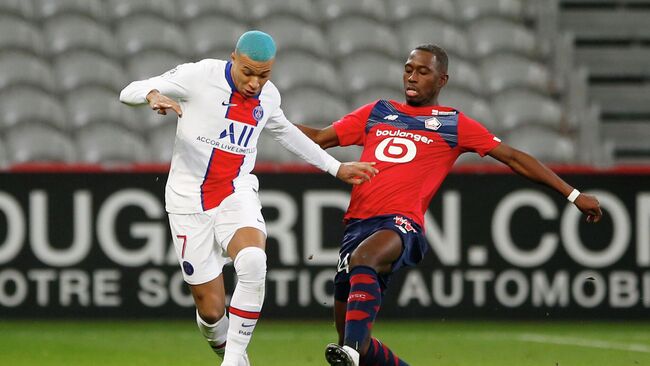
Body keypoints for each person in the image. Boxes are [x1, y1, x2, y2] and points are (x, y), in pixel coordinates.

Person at [297, 44, 603, 366]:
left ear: (442, 80)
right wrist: (269, 122)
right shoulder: (377, 111)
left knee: (362, 276)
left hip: (401, 225)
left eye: (422, 71)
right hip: (357, 225)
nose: (412, 77)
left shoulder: (453, 123)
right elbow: (318, 138)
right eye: (408, 69)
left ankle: (352, 352)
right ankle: (355, 351)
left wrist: (573, 195)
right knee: (352, 335)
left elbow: (513, 157)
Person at [119, 31, 377, 366]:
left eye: (264, 74)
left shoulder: (268, 97)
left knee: (254, 259)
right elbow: (128, 91)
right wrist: (153, 95)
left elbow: (285, 131)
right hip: (187, 202)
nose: (255, 83)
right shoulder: (199, 76)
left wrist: (335, 167)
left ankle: (236, 360)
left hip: (235, 191)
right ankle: (228, 350)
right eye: (248, 72)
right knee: (211, 312)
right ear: (233, 59)